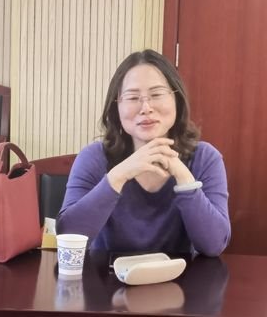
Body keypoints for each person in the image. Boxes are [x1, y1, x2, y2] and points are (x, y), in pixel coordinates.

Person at [57, 49, 230, 256]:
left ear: (177, 99)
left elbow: (214, 245)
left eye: (156, 94)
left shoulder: (205, 158)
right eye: (132, 97)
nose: (146, 107)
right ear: (116, 106)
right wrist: (119, 175)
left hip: (180, 276)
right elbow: (68, 236)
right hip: (107, 275)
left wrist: (184, 177)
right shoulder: (93, 157)